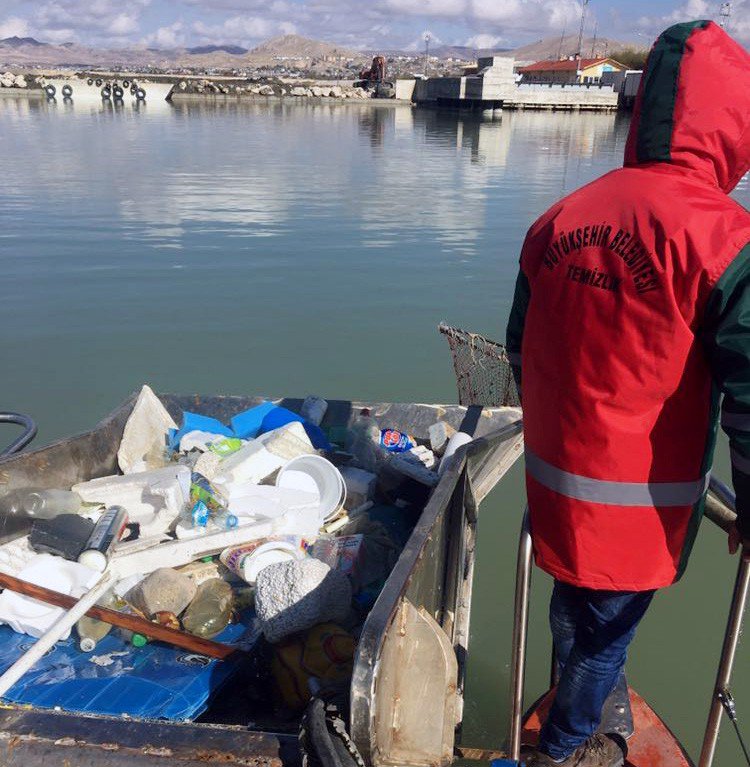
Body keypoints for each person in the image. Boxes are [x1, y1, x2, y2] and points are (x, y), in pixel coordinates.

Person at [505, 20, 750, 767]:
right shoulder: (727, 239)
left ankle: (580, 714)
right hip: (641, 501)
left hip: (555, 479)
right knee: (609, 630)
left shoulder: (563, 215)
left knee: (573, 605)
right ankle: (569, 747)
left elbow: (521, 346)